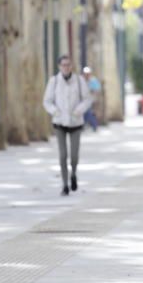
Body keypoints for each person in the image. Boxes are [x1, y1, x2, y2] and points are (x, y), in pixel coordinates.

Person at [43, 55, 93, 196]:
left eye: (68, 64)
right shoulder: (54, 81)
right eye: (63, 65)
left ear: (72, 66)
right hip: (59, 122)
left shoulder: (79, 80)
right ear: (59, 66)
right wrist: (55, 111)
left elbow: (87, 99)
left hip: (76, 122)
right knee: (63, 155)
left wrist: (79, 110)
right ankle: (65, 184)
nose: (66, 67)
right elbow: (47, 101)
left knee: (74, 155)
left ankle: (73, 174)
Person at [82, 66, 102, 131]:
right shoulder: (81, 81)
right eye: (85, 74)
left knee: (89, 113)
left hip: (92, 100)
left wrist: (92, 91)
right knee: (86, 113)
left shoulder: (93, 80)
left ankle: (93, 126)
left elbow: (97, 90)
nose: (86, 75)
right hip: (83, 101)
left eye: (88, 74)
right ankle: (90, 125)